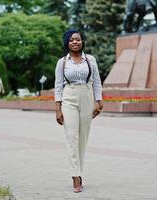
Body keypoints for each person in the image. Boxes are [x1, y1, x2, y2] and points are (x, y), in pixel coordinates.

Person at [54, 29, 103, 193]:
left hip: (87, 96)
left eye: (78, 39)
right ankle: (75, 176)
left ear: (82, 42)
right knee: (72, 137)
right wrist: (57, 109)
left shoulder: (90, 60)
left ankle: (80, 172)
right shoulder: (62, 62)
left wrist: (99, 101)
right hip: (69, 97)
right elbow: (58, 86)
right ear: (67, 43)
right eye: (71, 40)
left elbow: (96, 81)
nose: (75, 42)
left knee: (82, 139)